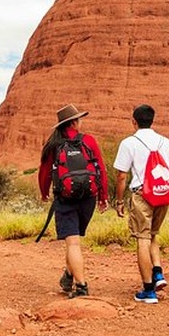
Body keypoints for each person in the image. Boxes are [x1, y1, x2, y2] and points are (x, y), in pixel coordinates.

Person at [113, 104, 169, 304]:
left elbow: (121, 176)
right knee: (153, 234)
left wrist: (119, 201)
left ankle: (148, 290)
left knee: (142, 238)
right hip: (164, 193)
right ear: (152, 120)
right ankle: (158, 272)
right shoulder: (166, 142)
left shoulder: (128, 143)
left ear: (134, 121)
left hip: (142, 194)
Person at [38, 104, 109, 299]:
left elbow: (44, 173)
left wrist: (44, 193)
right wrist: (103, 196)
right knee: (75, 241)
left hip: (65, 198)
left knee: (73, 243)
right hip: (88, 198)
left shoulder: (53, 145)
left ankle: (82, 286)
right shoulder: (89, 141)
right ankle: (68, 276)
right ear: (75, 122)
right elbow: (101, 169)